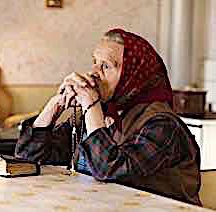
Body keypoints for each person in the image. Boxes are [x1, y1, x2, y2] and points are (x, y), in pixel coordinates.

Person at [15, 28, 201, 206]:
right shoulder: (100, 113)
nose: (94, 72)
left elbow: (109, 169)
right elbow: (28, 158)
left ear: (133, 74)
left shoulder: (162, 124)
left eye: (106, 66)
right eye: (95, 62)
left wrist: (92, 107)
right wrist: (55, 105)